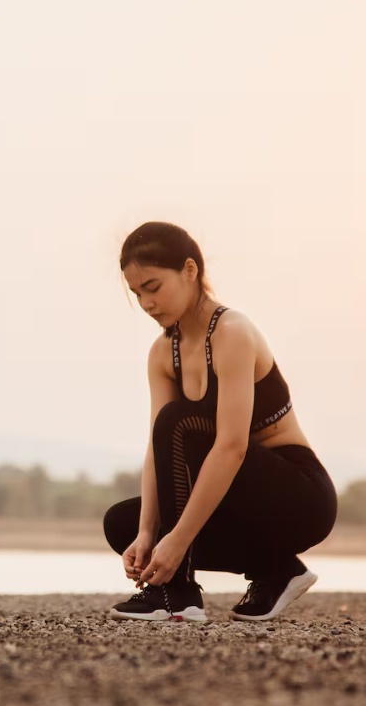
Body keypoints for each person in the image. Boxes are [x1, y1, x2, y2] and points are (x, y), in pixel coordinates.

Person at [105, 221, 337, 623]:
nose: (146, 303)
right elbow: (157, 449)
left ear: (190, 271)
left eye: (154, 287)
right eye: (137, 293)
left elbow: (232, 446)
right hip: (238, 500)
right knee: (121, 523)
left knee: (180, 422)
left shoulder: (232, 333)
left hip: (296, 495)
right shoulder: (163, 354)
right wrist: (148, 534)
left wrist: (176, 541)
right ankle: (277, 570)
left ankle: (176, 593)